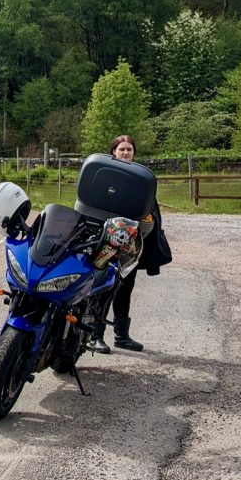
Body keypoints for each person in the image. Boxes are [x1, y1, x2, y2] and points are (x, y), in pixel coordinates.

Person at [87, 134, 172, 354]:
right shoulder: (106, 174)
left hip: (129, 244)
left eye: (129, 149)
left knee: (125, 288)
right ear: (113, 152)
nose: (126, 153)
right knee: (103, 288)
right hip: (105, 241)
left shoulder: (140, 178)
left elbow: (149, 207)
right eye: (121, 149)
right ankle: (94, 335)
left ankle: (121, 336)